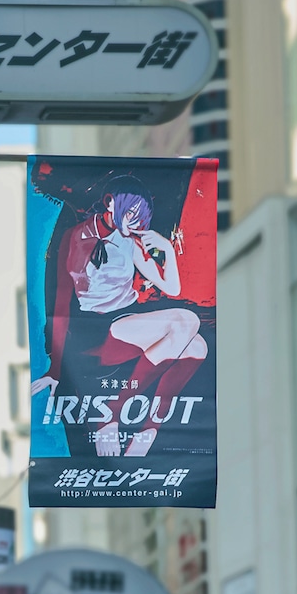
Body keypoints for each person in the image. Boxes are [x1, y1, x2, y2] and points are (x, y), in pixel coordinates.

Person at [32, 178, 208, 457]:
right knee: (186, 322)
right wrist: (55, 368)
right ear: (110, 202)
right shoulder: (75, 236)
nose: (135, 221)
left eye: (139, 216)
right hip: (96, 328)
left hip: (130, 319)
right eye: (130, 213)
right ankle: (112, 411)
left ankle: (147, 430)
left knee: (198, 347)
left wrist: (167, 249)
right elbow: (61, 302)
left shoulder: (131, 243)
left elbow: (172, 288)